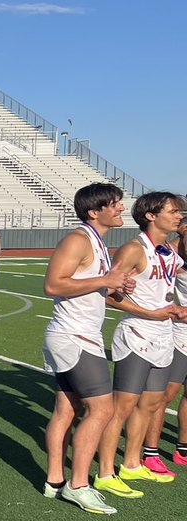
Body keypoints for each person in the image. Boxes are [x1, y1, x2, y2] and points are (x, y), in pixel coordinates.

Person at [41, 183, 132, 513]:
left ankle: (54, 481)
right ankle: (78, 484)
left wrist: (115, 288)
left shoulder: (96, 242)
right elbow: (53, 284)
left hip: (77, 335)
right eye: (115, 203)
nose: (121, 207)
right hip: (74, 337)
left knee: (66, 410)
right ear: (95, 212)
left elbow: (90, 288)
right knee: (102, 410)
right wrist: (105, 281)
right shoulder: (79, 239)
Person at [94, 192, 187, 498]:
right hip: (137, 334)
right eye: (173, 211)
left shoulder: (170, 254)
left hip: (163, 336)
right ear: (150, 215)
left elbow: (159, 293)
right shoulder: (134, 249)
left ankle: (132, 464)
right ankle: (106, 472)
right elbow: (108, 294)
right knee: (121, 408)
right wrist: (150, 313)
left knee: (149, 405)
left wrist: (175, 309)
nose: (179, 216)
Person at [144, 216, 187, 475]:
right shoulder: (168, 252)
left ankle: (182, 448)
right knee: (163, 396)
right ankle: (150, 452)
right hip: (176, 334)